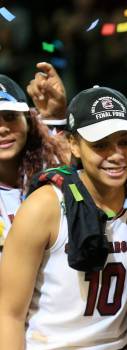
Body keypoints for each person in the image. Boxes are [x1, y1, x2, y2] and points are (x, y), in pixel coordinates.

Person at [0, 86, 127, 350]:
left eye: (125, 142)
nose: (116, 154)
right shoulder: (45, 205)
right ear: (73, 144)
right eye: (100, 144)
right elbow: (8, 314)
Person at [0, 73, 68, 250]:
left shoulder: (53, 165)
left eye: (10, 116)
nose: (2, 129)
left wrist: (57, 115)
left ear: (28, 122)